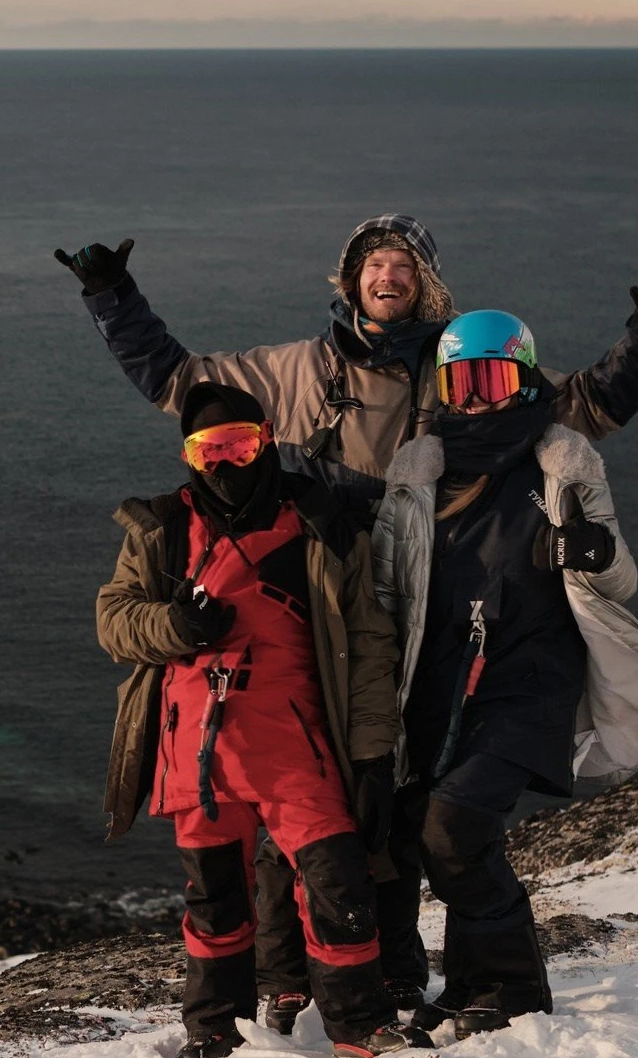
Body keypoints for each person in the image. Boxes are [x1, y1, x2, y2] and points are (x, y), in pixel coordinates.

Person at [58, 214, 638, 1025]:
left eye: (405, 262)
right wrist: (111, 296)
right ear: (351, 278)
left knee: (392, 806)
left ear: (425, 284)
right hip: (330, 610)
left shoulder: (460, 370)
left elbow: (578, 403)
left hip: (422, 620)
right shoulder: (300, 371)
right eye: (373, 260)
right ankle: (328, 975)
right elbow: (183, 384)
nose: (388, 272)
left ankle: (417, 978)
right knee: (332, 813)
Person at [370, 309, 638, 1039]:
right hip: (441, 682)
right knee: (426, 826)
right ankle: (471, 985)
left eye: (492, 377)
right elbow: (388, 586)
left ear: (524, 377)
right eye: (461, 381)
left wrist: (592, 550)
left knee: (454, 827)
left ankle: (511, 985)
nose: (475, 396)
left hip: (530, 680)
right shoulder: (417, 471)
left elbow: (620, 578)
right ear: (443, 387)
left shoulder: (559, 461)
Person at [95, 380, 433, 1058]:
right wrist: (174, 624)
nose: (223, 462)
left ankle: (358, 1027)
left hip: (295, 748)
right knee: (214, 901)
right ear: (190, 455)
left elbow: (370, 647)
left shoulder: (323, 528)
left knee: (340, 885)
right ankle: (212, 1030)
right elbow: (113, 620)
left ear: (267, 439)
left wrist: (371, 758)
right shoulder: (161, 531)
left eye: (238, 444)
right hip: (196, 754)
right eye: (207, 448)